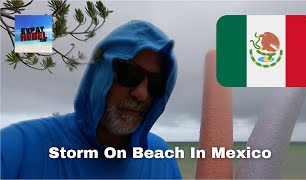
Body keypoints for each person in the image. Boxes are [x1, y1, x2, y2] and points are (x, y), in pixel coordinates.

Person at [1, 20, 182, 179]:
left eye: (156, 84)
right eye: (129, 73)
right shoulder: (17, 149)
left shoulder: (161, 159)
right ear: (100, 74)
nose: (142, 94)